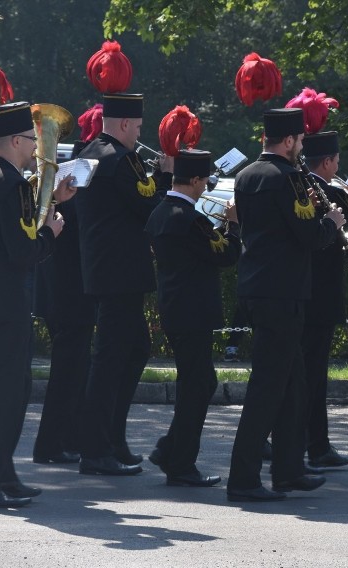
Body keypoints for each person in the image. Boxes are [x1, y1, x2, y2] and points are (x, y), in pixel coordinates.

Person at [226, 108, 344, 502]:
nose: (300, 148)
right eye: (300, 141)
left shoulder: (246, 176)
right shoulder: (289, 178)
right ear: (290, 141)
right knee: (268, 388)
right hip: (283, 292)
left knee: (294, 385)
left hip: (259, 288)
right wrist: (333, 221)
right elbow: (309, 235)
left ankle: (288, 469)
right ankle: (243, 478)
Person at [75, 93, 172, 476]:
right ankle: (95, 449)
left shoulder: (92, 151)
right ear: (125, 125)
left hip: (109, 270)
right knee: (111, 359)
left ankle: (112, 438)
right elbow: (151, 208)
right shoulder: (119, 159)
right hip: (119, 273)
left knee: (134, 351)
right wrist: (167, 174)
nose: (139, 134)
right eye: (138, 127)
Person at [145, 149, 241, 486]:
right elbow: (226, 254)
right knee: (197, 385)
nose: (206, 188)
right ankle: (181, 463)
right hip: (192, 311)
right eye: (204, 182)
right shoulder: (189, 218)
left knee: (198, 382)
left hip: (176, 307)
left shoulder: (161, 212)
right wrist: (233, 224)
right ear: (196, 181)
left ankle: (170, 450)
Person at [0, 101, 76, 506]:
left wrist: (52, 205)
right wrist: (50, 235)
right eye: (31, 139)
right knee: (9, 394)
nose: (36, 147)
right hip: (6, 304)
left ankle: (6, 476)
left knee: (14, 390)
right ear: (14, 140)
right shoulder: (9, 184)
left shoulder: (10, 181)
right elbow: (21, 250)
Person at [32, 106, 102, 466]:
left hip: (65, 290)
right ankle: (49, 445)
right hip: (68, 290)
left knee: (77, 369)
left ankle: (69, 438)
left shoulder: (70, 171)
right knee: (67, 371)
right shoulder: (77, 175)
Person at [300, 130, 348, 469]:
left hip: (306, 294)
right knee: (313, 374)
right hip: (320, 295)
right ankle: (315, 445)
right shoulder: (327, 193)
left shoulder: (307, 188)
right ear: (326, 162)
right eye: (337, 162)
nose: (338, 167)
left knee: (306, 372)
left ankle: (310, 442)